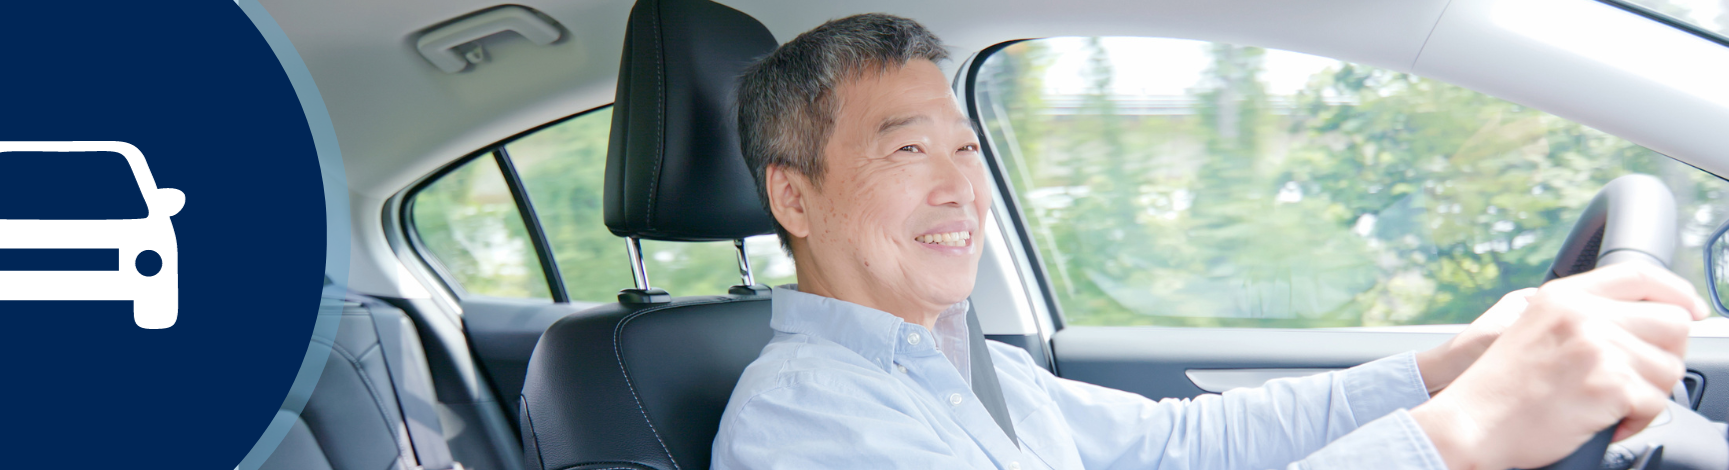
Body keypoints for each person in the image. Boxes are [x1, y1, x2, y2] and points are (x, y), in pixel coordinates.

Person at [709, 13, 1709, 470]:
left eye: (966, 145)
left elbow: (1177, 443)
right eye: (908, 147)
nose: (958, 183)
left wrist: (1438, 370)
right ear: (794, 196)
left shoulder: (959, 363)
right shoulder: (804, 426)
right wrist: (1457, 436)